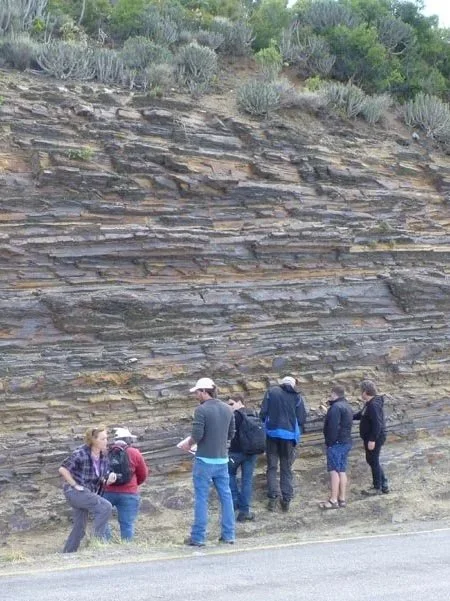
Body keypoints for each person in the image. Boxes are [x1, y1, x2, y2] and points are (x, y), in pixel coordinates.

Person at [179, 377, 236, 547]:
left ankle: (198, 537)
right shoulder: (228, 409)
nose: (196, 395)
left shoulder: (201, 410)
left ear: (205, 391)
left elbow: (197, 435)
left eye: (197, 392)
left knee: (202, 498)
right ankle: (229, 535)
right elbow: (231, 434)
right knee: (226, 497)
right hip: (222, 460)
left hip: (204, 460)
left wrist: (187, 444)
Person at [58, 425, 117, 553]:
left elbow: (99, 477)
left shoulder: (103, 455)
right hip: (74, 492)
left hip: (86, 492)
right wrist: (74, 484)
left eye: (106, 438)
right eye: (102, 439)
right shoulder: (81, 453)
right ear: (93, 440)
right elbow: (63, 469)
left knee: (80, 527)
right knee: (105, 506)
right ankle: (96, 544)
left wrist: (108, 479)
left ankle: (67, 553)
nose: (106, 441)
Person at [260, 376, 307, 512]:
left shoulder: (271, 392)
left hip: (272, 434)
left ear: (282, 383)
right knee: (286, 467)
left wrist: (266, 424)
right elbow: (302, 418)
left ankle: (273, 498)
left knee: (272, 467)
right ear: (293, 384)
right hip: (289, 436)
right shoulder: (297, 396)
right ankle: (286, 499)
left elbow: (263, 412)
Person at [103, 426, 149, 541]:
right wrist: (133, 485)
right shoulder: (134, 452)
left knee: (102, 519)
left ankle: (104, 545)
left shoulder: (105, 452)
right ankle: (127, 547)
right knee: (127, 523)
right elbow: (143, 473)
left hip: (107, 491)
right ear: (127, 439)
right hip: (129, 493)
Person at [319, 385, 353, 510]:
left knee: (334, 471)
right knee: (342, 470)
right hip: (346, 442)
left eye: (331, 394)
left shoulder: (335, 408)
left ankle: (333, 500)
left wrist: (330, 443)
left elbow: (332, 427)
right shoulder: (348, 406)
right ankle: (342, 499)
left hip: (336, 443)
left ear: (334, 394)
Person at [353, 379, 389, 495]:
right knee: (372, 460)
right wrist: (349, 416)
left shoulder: (373, 405)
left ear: (365, 392)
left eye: (361, 391)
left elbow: (377, 424)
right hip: (371, 437)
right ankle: (383, 484)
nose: (360, 393)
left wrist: (372, 439)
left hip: (375, 437)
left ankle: (377, 487)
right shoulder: (369, 403)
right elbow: (361, 415)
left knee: (373, 460)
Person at [227, 394, 258, 522]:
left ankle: (234, 502)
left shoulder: (233, 416)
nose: (229, 407)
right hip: (251, 452)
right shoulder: (253, 414)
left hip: (235, 452)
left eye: (231, 404)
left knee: (230, 475)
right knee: (247, 480)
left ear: (239, 402)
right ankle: (244, 511)